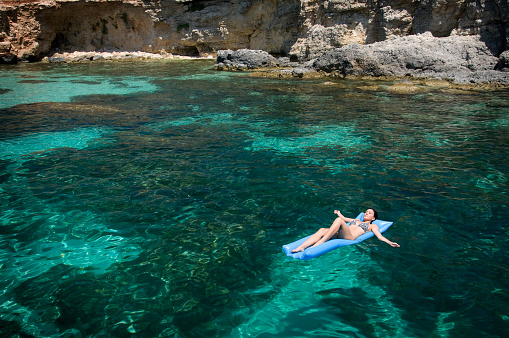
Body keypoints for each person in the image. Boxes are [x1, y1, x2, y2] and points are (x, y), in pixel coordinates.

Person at [291, 208, 400, 252]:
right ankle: (302, 246)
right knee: (322, 229)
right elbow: (344, 218)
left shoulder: (373, 226)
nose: (366, 213)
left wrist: (390, 242)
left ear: (374, 218)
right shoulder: (356, 219)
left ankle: (319, 243)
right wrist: (338, 213)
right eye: (366, 212)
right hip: (341, 234)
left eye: (369, 213)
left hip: (349, 237)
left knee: (338, 221)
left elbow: (379, 236)